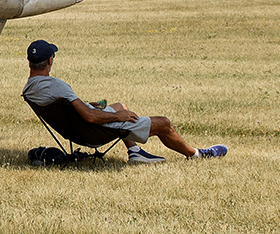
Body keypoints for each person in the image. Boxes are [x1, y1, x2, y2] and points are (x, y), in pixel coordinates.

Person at [23, 39, 226, 164]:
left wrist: (87, 105)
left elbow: (78, 110)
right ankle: (197, 155)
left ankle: (135, 152)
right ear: (50, 61)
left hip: (74, 129)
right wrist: (117, 116)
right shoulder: (57, 85)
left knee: (120, 104)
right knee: (163, 123)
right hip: (91, 132)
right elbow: (91, 118)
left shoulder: (30, 88)